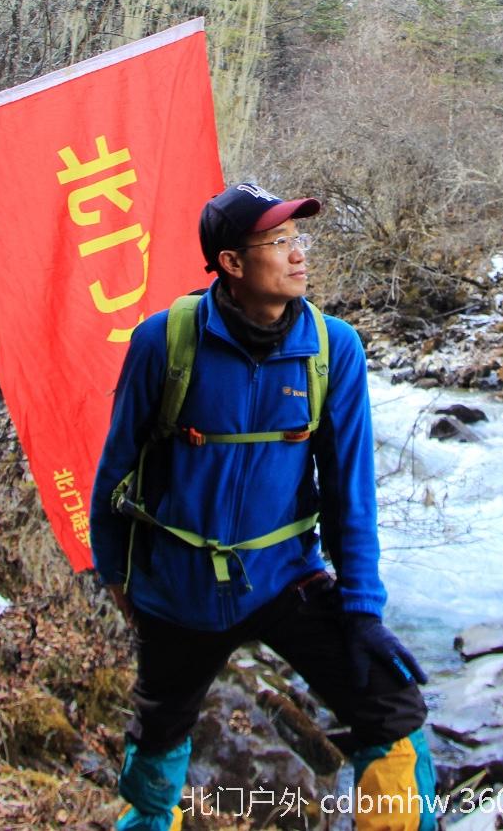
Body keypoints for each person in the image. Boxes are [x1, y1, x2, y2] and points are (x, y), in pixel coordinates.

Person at [89, 182, 435, 831]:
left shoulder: (333, 349)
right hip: (179, 588)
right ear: (231, 263)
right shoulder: (163, 342)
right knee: (157, 745)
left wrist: (363, 608)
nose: (299, 254)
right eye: (279, 243)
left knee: (393, 710)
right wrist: (115, 574)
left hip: (284, 579)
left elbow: (350, 493)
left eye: (298, 239)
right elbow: (116, 470)